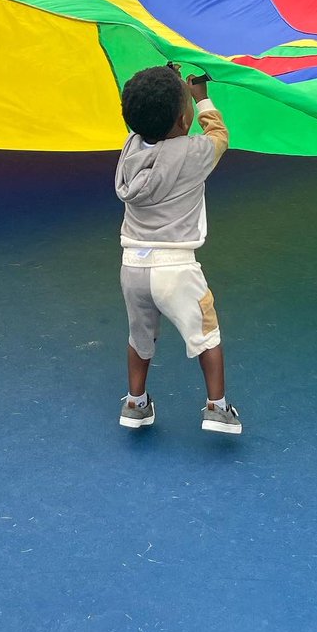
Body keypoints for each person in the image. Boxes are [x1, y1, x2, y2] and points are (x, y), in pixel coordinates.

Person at [114, 64, 241, 434]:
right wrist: (200, 97)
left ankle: (136, 403)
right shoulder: (194, 153)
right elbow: (219, 134)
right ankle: (217, 408)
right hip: (176, 268)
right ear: (185, 120)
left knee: (140, 337)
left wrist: (165, 78)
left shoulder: (130, 151)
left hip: (133, 266)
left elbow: (148, 122)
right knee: (206, 333)